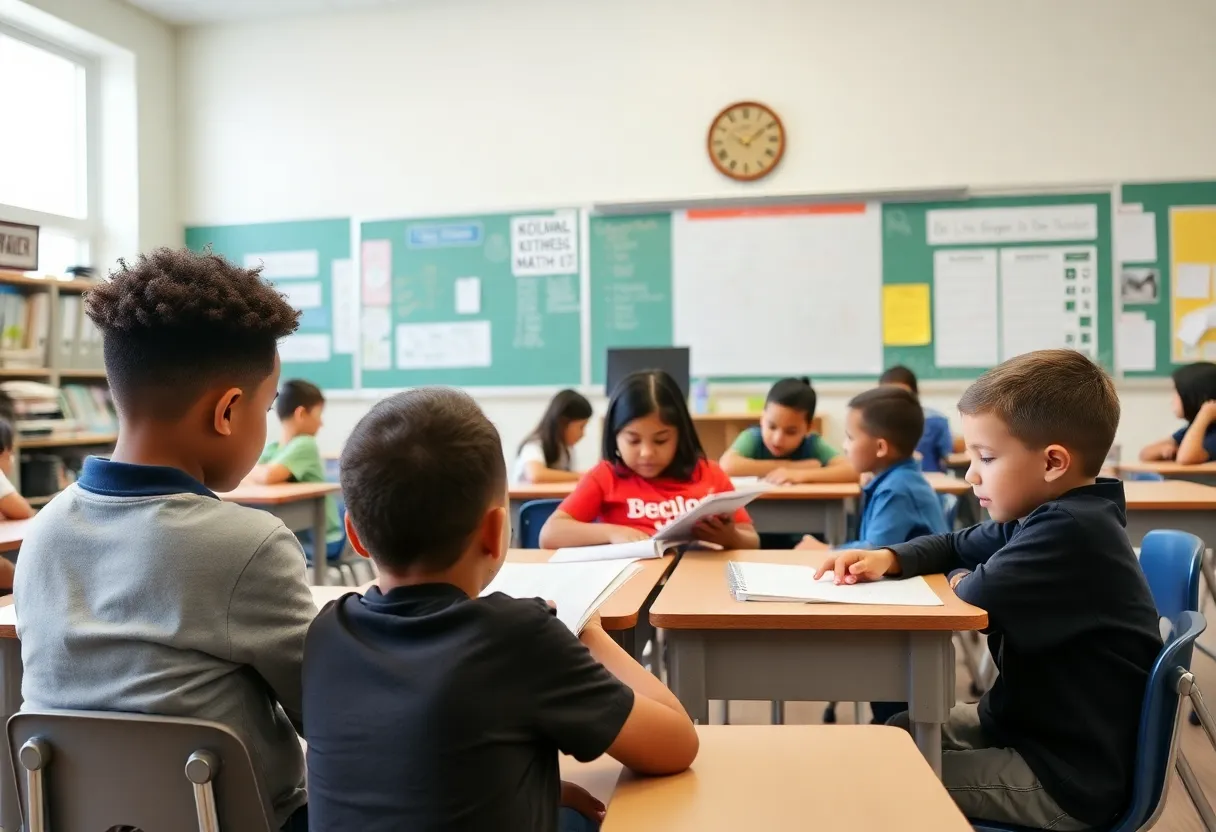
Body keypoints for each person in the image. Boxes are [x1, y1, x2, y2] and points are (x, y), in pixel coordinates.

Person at [13, 248, 314, 832]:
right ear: (228, 411)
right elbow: (324, 715)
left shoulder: (43, 531)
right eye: (267, 407)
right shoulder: (250, 544)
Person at [303, 388, 699, 831]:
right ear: (496, 530)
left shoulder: (327, 632)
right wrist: (584, 627)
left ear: (355, 536)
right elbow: (677, 743)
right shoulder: (520, 638)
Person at [815, 349, 1161, 830]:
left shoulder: (1070, 531)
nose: (971, 474)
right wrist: (890, 557)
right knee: (894, 733)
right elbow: (958, 543)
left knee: (887, 767)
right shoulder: (1049, 514)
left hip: (1066, 777)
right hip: (1031, 728)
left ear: (1053, 462)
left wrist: (962, 578)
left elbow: (974, 591)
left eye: (987, 458)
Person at [796, 386, 948, 724]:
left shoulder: (898, 488)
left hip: (915, 618)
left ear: (880, 448)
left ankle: (894, 733)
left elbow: (876, 549)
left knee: (891, 702)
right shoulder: (892, 479)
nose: (845, 445)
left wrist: (828, 550)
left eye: (850, 437)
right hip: (903, 603)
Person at [539, 370, 759, 550]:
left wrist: (731, 538)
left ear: (680, 435)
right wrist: (613, 532)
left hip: (696, 587)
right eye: (633, 441)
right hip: (631, 589)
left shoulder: (710, 474)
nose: (646, 453)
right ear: (615, 436)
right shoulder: (605, 476)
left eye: (661, 441)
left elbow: (752, 540)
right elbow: (550, 534)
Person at [249, 378, 343, 561]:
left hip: (325, 539)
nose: (321, 423)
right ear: (301, 414)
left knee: (265, 554)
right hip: (298, 536)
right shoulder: (273, 449)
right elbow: (254, 476)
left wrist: (253, 471)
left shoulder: (305, 444)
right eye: (318, 415)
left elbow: (266, 476)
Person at [719, 377, 856, 484]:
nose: (778, 439)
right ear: (762, 418)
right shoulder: (753, 437)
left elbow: (853, 470)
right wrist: (794, 467)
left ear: (808, 428)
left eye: (791, 432)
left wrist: (801, 475)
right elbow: (727, 465)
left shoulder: (812, 444)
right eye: (771, 427)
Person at [878, 365, 955, 473]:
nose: (895, 402)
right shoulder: (873, 424)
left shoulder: (936, 421)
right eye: (888, 395)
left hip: (930, 484)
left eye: (902, 395)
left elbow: (947, 458)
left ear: (915, 395)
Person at [1140, 361, 1216, 464]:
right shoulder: (1191, 429)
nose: (1172, 400)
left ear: (1192, 396)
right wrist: (1163, 450)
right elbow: (1145, 454)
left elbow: (1185, 459)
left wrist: (1204, 415)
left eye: (1176, 393)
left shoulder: (1209, 431)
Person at [514, 389, 593, 483]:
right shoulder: (534, 445)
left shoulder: (566, 450)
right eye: (581, 427)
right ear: (562, 422)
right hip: (527, 498)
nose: (583, 434)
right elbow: (536, 475)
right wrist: (580, 475)